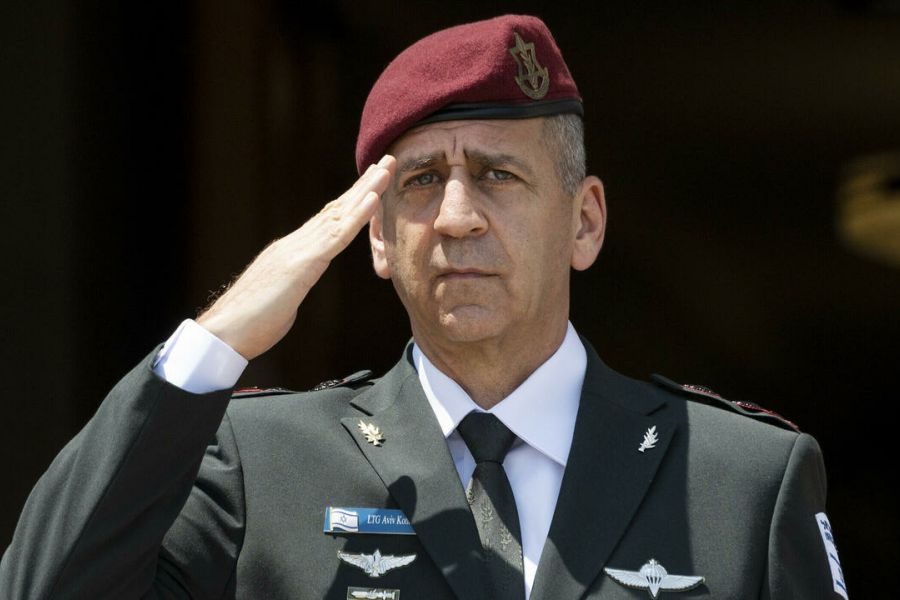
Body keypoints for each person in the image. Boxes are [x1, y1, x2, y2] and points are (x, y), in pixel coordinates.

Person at [1, 14, 847, 600]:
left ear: (584, 221)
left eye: (497, 174)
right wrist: (216, 339)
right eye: (420, 181)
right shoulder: (262, 467)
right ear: (377, 237)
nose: (455, 216)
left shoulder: (739, 482)